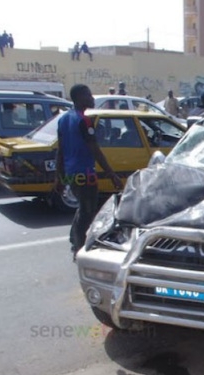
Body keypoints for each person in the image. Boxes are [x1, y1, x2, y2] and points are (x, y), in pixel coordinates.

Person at [55, 84, 122, 259]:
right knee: (88, 211)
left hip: (71, 173)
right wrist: (111, 174)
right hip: (85, 173)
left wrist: (59, 177)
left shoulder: (63, 119)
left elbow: (60, 150)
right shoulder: (83, 120)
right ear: (79, 98)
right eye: (89, 95)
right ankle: (79, 247)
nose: (92, 99)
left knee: (83, 207)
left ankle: (74, 238)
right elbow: (95, 149)